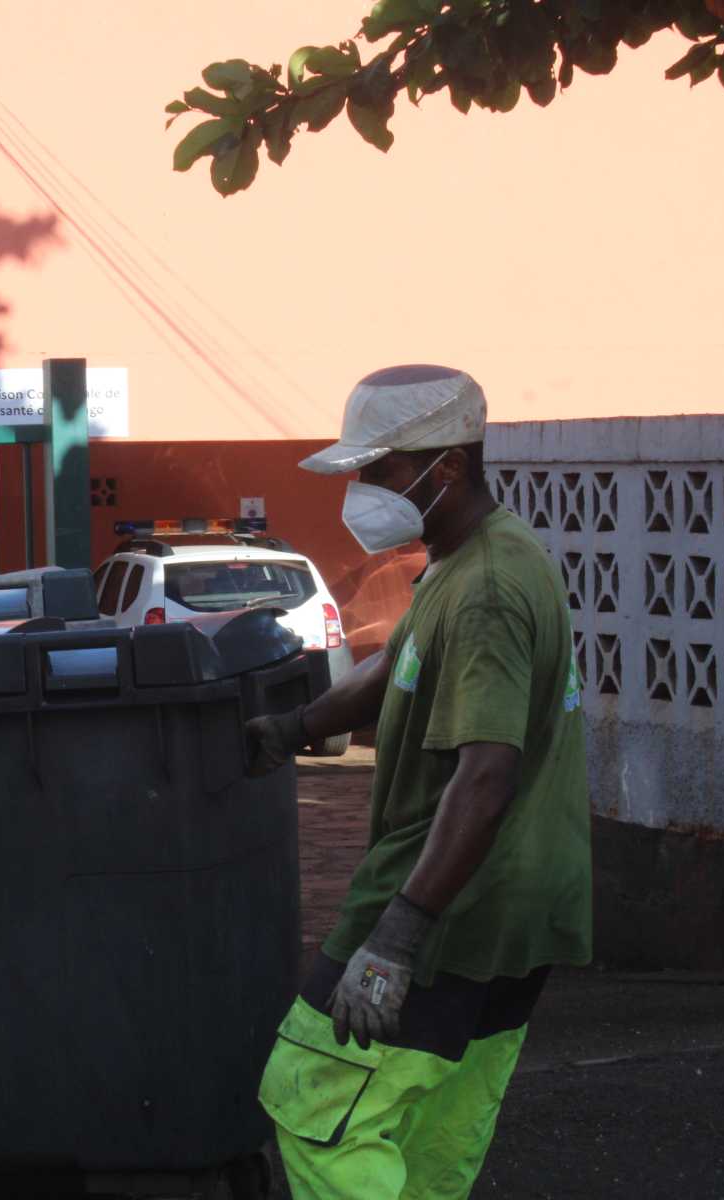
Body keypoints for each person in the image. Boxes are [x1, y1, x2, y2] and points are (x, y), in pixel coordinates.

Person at [245, 365, 591, 1199]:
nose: (363, 489)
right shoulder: (470, 557)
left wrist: (396, 938)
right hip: (520, 907)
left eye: (381, 470)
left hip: (451, 902)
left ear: (449, 468)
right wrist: (294, 729)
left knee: (312, 1097)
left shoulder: (487, 591)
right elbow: (396, 665)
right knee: (436, 1131)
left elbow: (485, 774)